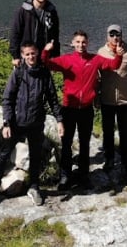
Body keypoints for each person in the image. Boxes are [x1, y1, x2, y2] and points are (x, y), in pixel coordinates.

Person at [42, 30, 122, 190]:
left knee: (85, 143)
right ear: (72, 43)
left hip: (86, 109)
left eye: (83, 42)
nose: (80, 45)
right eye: (77, 42)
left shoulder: (95, 59)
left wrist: (118, 55)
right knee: (66, 143)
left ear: (88, 43)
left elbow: (113, 65)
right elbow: (47, 63)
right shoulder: (67, 60)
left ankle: (84, 175)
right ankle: (65, 176)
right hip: (69, 109)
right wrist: (46, 50)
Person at [0, 41, 62, 206]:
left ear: (37, 53)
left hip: (36, 122)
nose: (30, 56)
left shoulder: (44, 74)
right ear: (22, 55)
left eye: (33, 53)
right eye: (27, 54)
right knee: (4, 153)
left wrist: (59, 120)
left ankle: (34, 187)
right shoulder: (18, 74)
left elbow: (53, 99)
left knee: (35, 156)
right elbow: (7, 99)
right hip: (17, 122)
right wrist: (7, 122)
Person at [97, 24, 127, 181]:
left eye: (118, 35)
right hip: (107, 99)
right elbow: (96, 77)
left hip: (124, 100)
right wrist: (96, 96)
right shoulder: (101, 52)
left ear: (122, 36)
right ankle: (109, 158)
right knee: (107, 131)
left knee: (125, 132)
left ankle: (125, 161)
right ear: (107, 36)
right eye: (112, 34)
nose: (115, 38)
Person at [9, 0, 60, 67]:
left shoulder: (51, 11)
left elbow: (55, 34)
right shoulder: (23, 11)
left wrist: (55, 56)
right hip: (27, 54)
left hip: (44, 54)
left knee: (44, 79)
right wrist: (15, 56)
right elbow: (15, 33)